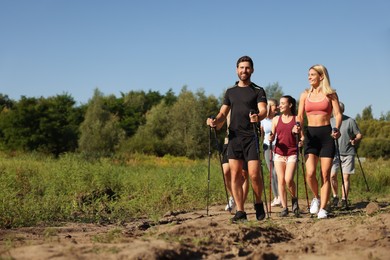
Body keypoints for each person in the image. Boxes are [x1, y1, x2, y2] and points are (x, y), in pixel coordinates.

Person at [207, 55, 267, 222]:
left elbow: (263, 110)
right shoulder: (230, 92)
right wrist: (214, 121)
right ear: (236, 70)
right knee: (235, 176)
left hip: (251, 137)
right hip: (234, 138)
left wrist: (258, 116)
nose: (244, 71)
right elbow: (222, 113)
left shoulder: (258, 90)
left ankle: (258, 202)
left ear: (252, 70)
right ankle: (240, 211)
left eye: (247, 68)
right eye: (241, 68)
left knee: (254, 174)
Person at [295, 64, 342, 219]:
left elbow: (338, 114)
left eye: (312, 74)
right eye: (308, 74)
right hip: (311, 136)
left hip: (326, 135)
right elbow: (300, 116)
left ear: (321, 76)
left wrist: (337, 128)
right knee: (309, 173)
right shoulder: (304, 95)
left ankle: (323, 208)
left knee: (325, 174)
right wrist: (297, 126)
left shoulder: (331, 94)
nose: (309, 77)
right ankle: (317, 197)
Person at [270, 95, 303, 217]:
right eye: (280, 103)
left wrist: (300, 139)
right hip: (279, 153)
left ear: (290, 105)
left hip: (292, 152)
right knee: (281, 180)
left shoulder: (297, 119)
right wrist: (271, 137)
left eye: (283, 103)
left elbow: (302, 137)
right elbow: (273, 135)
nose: (280, 105)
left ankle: (294, 200)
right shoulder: (275, 119)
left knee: (288, 179)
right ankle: (284, 207)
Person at [330, 102, 362, 209]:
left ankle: (344, 199)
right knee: (332, 176)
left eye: (338, 109)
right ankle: (335, 196)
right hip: (334, 153)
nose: (336, 111)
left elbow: (358, 134)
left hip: (348, 152)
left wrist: (355, 140)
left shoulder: (350, 121)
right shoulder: (330, 121)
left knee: (346, 177)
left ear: (342, 110)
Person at [221, 112, 250, 212]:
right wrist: (213, 122)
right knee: (226, 171)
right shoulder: (227, 105)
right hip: (228, 141)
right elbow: (220, 121)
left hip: (245, 140)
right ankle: (234, 197)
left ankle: (240, 206)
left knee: (244, 174)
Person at [261, 99, 281, 207]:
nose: (277, 107)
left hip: (278, 146)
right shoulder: (263, 120)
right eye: (275, 105)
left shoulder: (279, 118)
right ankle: (276, 197)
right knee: (272, 172)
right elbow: (261, 133)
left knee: (277, 172)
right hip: (267, 146)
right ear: (269, 106)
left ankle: (281, 196)